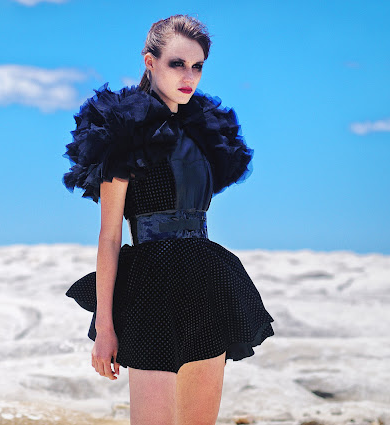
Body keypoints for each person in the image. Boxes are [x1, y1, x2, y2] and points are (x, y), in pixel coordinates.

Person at [62, 14, 275, 425]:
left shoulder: (205, 132)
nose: (188, 76)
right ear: (150, 62)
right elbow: (109, 237)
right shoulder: (121, 132)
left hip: (207, 283)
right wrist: (104, 328)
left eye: (197, 66)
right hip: (150, 292)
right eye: (177, 63)